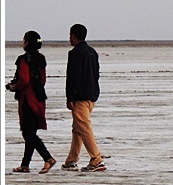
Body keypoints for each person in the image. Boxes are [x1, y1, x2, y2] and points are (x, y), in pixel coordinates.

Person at [8, 31, 57, 174]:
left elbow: (24, 80)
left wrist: (13, 86)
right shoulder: (41, 59)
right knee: (30, 133)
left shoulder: (24, 60)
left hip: (28, 100)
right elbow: (42, 80)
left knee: (28, 133)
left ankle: (48, 158)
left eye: (24, 40)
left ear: (28, 42)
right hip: (39, 99)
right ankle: (25, 165)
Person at [62, 24, 107, 172]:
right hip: (91, 95)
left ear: (73, 36)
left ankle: (96, 159)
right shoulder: (92, 52)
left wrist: (70, 98)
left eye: (70, 35)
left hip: (80, 97)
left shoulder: (75, 53)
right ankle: (71, 160)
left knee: (84, 128)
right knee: (78, 129)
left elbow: (73, 77)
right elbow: (96, 74)